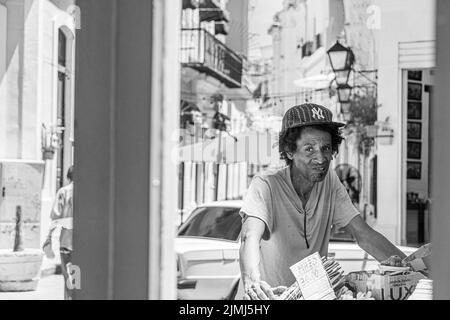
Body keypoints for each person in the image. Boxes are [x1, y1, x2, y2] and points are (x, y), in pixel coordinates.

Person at [238, 103, 406, 300]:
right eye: (309, 149)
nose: (321, 158)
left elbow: (363, 235)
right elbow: (249, 237)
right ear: (290, 151)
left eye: (326, 148)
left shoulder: (330, 182)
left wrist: (412, 270)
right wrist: (252, 281)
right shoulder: (266, 184)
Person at [42, 166, 74, 300]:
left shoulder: (63, 192)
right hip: (85, 245)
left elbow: (55, 219)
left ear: (68, 176)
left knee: (69, 281)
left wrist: (48, 239)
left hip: (66, 245)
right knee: (78, 280)